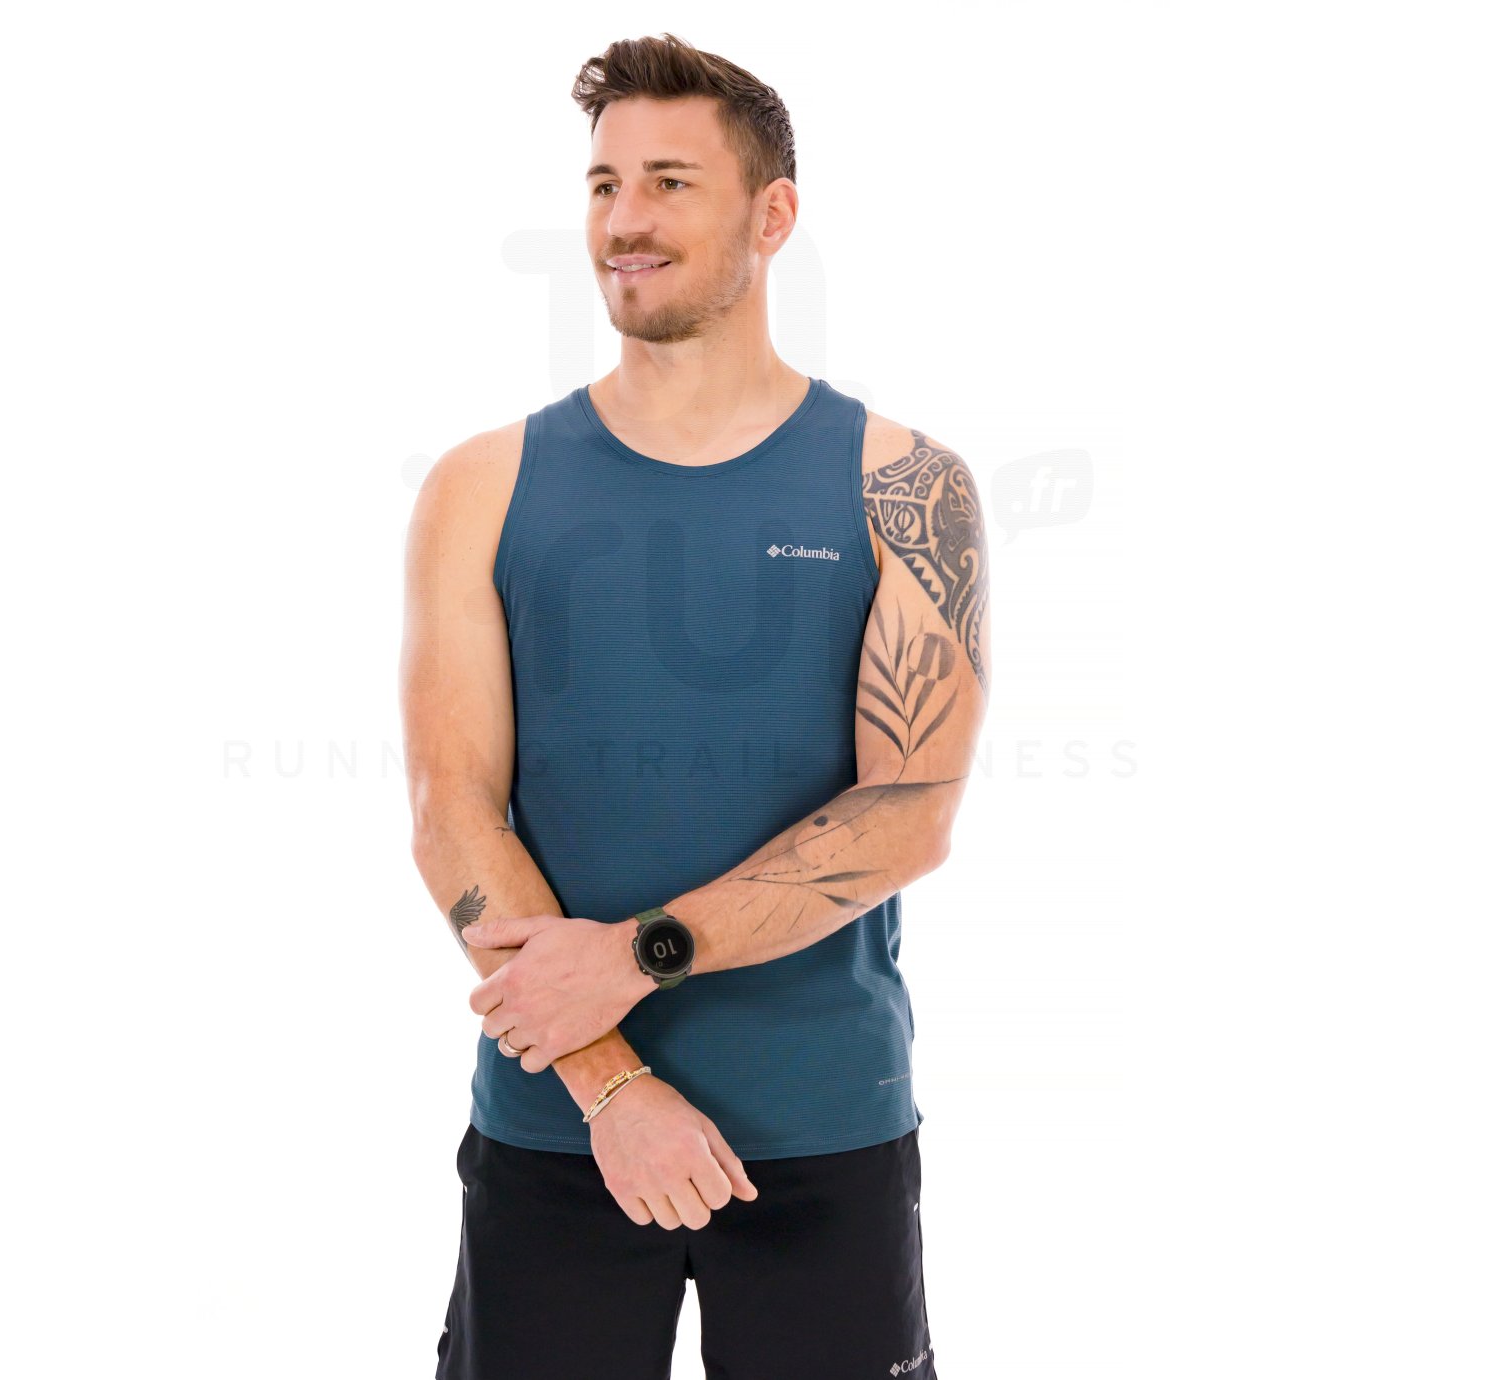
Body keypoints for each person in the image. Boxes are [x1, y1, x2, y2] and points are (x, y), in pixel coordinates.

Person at [401, 32, 988, 1380]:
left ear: (772, 216)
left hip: (823, 1129)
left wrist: (638, 953)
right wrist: (614, 1085)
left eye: (670, 182)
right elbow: (453, 815)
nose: (626, 222)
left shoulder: (905, 487)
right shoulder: (481, 485)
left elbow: (906, 813)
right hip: (559, 1127)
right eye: (604, 185)